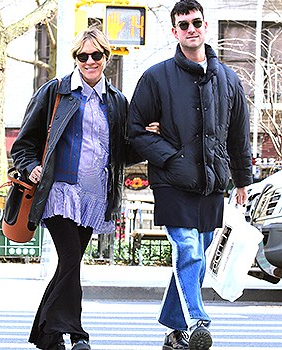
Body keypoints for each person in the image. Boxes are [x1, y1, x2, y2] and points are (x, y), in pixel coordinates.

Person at [11, 26, 158, 350]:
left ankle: (48, 336)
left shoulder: (116, 101)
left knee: (69, 264)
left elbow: (124, 152)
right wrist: (31, 167)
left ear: (106, 57)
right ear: (75, 58)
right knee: (70, 258)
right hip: (60, 192)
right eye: (82, 56)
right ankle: (78, 335)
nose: (89, 61)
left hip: (94, 197)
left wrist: (147, 135)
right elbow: (24, 143)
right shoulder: (56, 92)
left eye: (96, 55)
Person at [128, 1, 253, 349]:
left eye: (196, 22)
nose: (191, 28)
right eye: (183, 25)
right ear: (175, 32)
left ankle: (174, 329)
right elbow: (134, 130)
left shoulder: (229, 79)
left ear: (205, 25)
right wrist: (169, 157)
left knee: (196, 258)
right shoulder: (156, 77)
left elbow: (238, 135)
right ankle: (198, 320)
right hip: (172, 182)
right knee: (187, 248)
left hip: (212, 183)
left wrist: (243, 180)